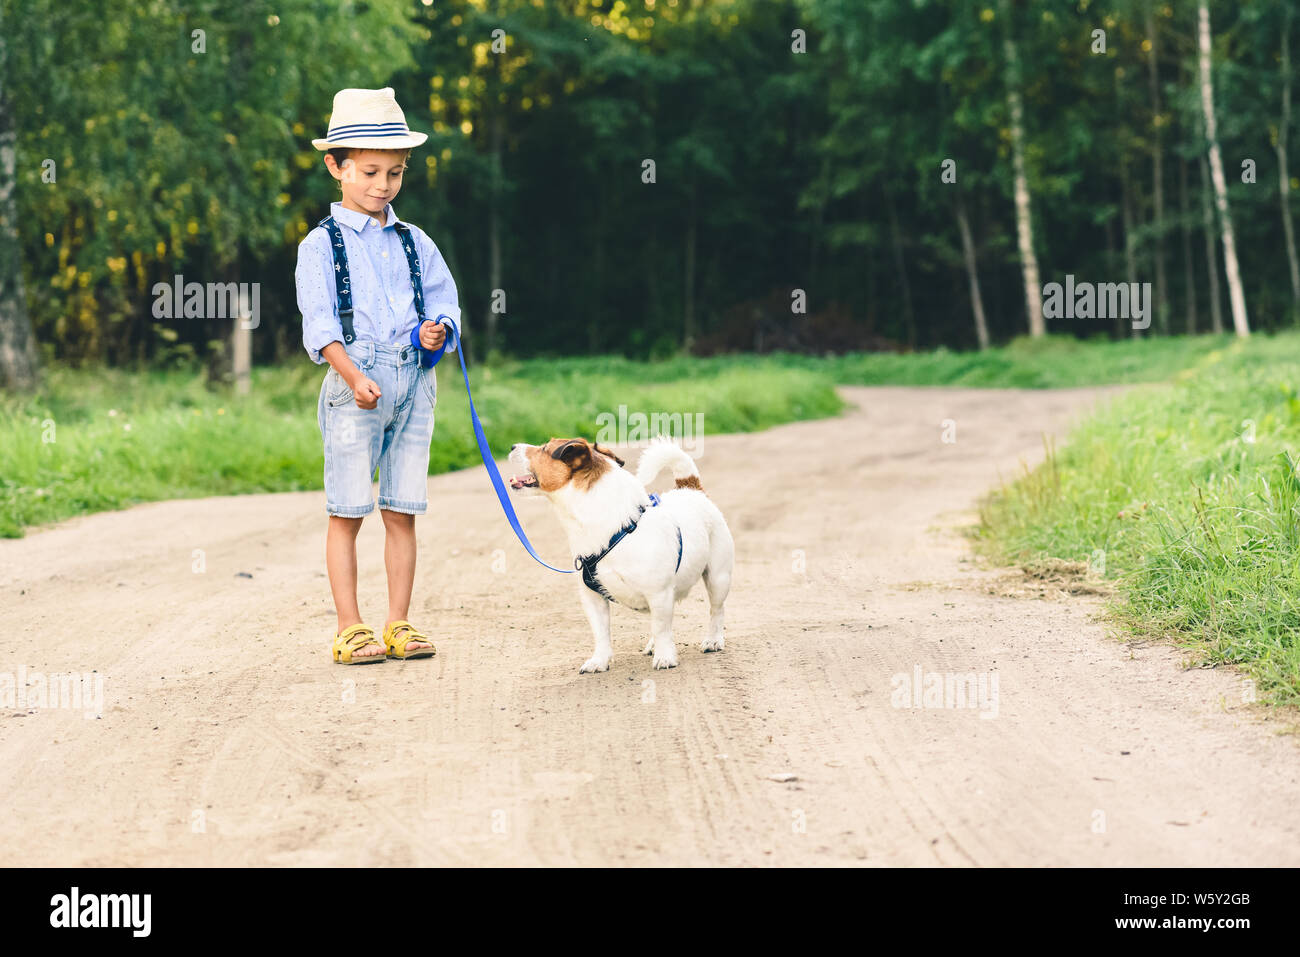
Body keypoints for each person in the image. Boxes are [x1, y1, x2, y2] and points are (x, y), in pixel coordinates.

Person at [296, 87, 462, 664]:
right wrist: (352, 373)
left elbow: (444, 303)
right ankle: (350, 625)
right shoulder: (321, 246)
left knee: (401, 507)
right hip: (354, 386)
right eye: (369, 171)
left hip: (415, 382)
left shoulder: (416, 242)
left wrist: (435, 330)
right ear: (336, 166)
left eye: (393, 173)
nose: (382, 185)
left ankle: (399, 622)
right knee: (347, 510)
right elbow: (320, 326)